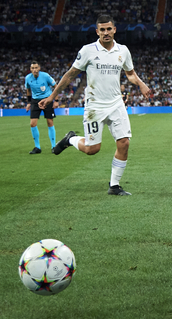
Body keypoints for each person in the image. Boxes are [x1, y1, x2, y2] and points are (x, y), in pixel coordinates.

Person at [39, 15, 151, 196]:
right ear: (97, 31)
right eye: (102, 30)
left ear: (114, 29)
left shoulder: (123, 50)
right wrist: (52, 96)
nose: (106, 33)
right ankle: (71, 139)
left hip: (116, 103)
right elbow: (70, 75)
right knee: (92, 149)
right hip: (94, 107)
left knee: (124, 143)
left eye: (109, 29)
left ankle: (114, 186)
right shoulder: (88, 51)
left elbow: (130, 74)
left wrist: (140, 83)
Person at [25, 62, 58, 154]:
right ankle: (37, 147)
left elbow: (56, 86)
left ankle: (53, 146)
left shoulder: (45, 76)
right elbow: (28, 90)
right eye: (32, 68)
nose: (34, 70)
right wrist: (28, 103)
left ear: (39, 68)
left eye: (36, 67)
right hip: (35, 101)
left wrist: (56, 100)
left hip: (47, 100)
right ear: (30, 69)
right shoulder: (28, 78)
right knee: (32, 124)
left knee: (50, 122)